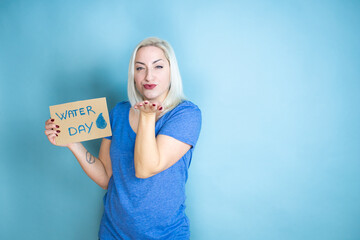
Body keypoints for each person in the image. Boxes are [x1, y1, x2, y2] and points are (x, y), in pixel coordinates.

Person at [44, 37, 202, 239]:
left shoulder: (186, 114)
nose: (148, 76)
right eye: (140, 68)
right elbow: (106, 177)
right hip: (114, 232)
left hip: (166, 234)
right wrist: (72, 143)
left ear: (171, 71)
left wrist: (146, 117)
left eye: (158, 66)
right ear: (133, 75)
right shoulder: (118, 112)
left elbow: (145, 168)